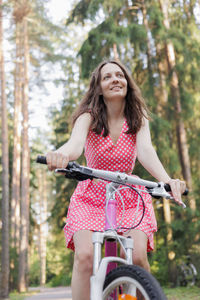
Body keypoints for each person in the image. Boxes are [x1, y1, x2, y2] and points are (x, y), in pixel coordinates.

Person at [46, 60, 186, 300]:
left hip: (130, 196)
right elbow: (75, 145)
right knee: (85, 257)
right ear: (99, 87)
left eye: (120, 75)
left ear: (127, 83)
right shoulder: (87, 117)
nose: (115, 80)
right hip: (91, 197)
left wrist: (167, 181)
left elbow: (146, 152)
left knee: (138, 256)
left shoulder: (138, 118)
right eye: (107, 77)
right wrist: (60, 155)